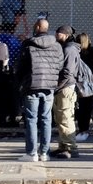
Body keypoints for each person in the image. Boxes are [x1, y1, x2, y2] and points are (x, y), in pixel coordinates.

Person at [16, 18, 64, 162]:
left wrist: (20, 83)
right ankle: (44, 152)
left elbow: (21, 66)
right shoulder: (56, 46)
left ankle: (31, 153)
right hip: (49, 86)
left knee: (31, 119)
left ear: (37, 27)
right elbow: (60, 65)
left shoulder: (29, 44)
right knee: (46, 119)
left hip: (32, 85)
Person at [50, 25, 81, 159]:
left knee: (65, 116)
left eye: (59, 34)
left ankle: (71, 147)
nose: (57, 36)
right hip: (64, 87)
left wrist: (58, 86)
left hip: (65, 87)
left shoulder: (69, 49)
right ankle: (63, 145)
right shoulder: (69, 48)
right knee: (61, 117)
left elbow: (68, 72)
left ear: (66, 35)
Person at [75, 33, 93, 142]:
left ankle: (82, 129)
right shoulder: (92, 51)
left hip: (79, 81)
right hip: (89, 81)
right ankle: (85, 129)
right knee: (87, 106)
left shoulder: (77, 52)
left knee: (80, 106)